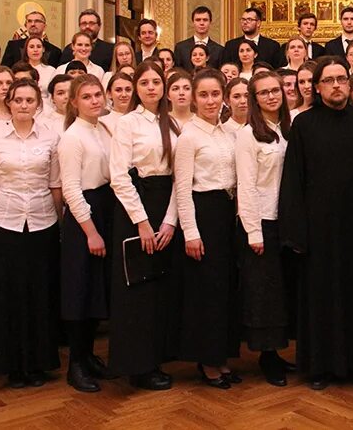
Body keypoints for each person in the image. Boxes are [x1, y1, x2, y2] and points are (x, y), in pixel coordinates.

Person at [279, 56, 353, 390]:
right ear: (317, 87)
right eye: (329, 80)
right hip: (318, 230)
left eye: (342, 79)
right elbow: (294, 181)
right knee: (320, 297)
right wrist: (296, 232)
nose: (337, 85)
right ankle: (320, 367)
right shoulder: (304, 125)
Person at [0, 78, 62, 388]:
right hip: (6, 222)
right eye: (18, 100)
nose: (24, 105)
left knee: (40, 293)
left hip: (42, 222)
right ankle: (14, 365)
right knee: (9, 296)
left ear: (37, 105)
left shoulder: (51, 138)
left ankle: (39, 362)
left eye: (30, 100)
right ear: (9, 103)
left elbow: (55, 185)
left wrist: (59, 225)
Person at [107, 61, 180, 390]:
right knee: (137, 291)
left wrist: (169, 220)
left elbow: (182, 174)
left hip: (166, 205)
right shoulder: (128, 124)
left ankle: (157, 358)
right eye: (145, 82)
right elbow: (119, 177)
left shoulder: (174, 122)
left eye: (156, 82)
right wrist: (143, 222)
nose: (151, 87)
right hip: (136, 208)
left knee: (161, 289)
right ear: (135, 88)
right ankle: (137, 365)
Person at [174, 69, 239, 388]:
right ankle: (207, 362)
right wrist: (191, 232)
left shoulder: (226, 132)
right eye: (204, 95)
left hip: (226, 213)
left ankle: (221, 357)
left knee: (224, 289)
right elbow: (182, 188)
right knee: (206, 292)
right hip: (203, 214)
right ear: (194, 99)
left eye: (216, 94)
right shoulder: (189, 136)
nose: (211, 100)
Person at [58, 75, 117, 392]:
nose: (95, 100)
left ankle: (91, 355)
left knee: (97, 288)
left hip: (105, 206)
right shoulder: (72, 137)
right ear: (74, 103)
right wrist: (91, 232)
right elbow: (70, 189)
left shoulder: (104, 128)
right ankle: (76, 364)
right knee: (79, 290)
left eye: (98, 95)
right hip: (85, 217)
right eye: (87, 97)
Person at [235, 72, 294, 387]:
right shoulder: (248, 135)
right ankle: (267, 356)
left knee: (281, 290)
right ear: (254, 100)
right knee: (264, 294)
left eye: (276, 90)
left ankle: (279, 350)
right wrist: (253, 231)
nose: (272, 96)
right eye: (264, 93)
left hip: (285, 221)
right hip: (261, 222)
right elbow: (246, 186)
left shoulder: (286, 129)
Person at [175, 6, 224, 71]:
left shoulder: (220, 50)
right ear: (193, 22)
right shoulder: (180, 47)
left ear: (210, 22)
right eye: (198, 20)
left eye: (205, 20)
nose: (201, 23)